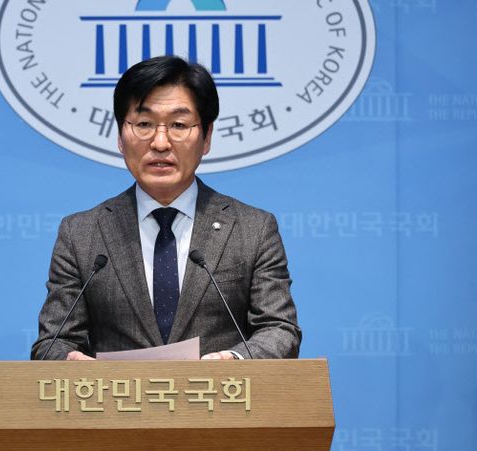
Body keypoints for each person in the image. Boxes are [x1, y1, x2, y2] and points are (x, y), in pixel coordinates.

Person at [31, 56, 301, 360]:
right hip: (115, 392)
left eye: (179, 125)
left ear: (207, 137)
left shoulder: (253, 229)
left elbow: (279, 329)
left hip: (218, 390)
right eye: (144, 124)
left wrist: (234, 362)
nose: (160, 143)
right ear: (120, 137)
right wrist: (69, 362)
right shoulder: (81, 234)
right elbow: (52, 342)